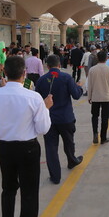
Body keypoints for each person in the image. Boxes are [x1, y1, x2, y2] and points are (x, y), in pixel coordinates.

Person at [0, 56, 52, 217]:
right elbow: (43, 128)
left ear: (6, 72)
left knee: (8, 189)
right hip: (27, 148)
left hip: (5, 147)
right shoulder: (34, 97)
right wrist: (46, 108)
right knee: (29, 192)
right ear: (24, 73)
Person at [35, 54, 84, 185]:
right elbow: (76, 95)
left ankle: (55, 176)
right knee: (69, 141)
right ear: (59, 65)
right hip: (66, 118)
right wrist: (79, 86)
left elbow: (37, 100)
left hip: (49, 119)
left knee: (51, 148)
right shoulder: (67, 77)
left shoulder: (41, 80)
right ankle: (71, 160)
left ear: (47, 66)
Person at [87, 51, 109, 144]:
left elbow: (89, 85)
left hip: (95, 97)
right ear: (106, 58)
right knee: (105, 117)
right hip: (106, 97)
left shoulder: (92, 70)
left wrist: (89, 97)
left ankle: (95, 133)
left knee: (95, 116)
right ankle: (103, 137)